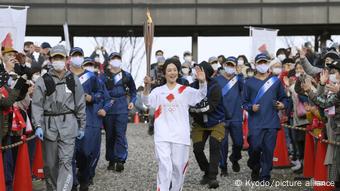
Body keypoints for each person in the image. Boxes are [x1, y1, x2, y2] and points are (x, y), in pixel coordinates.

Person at [142, 58, 207, 191]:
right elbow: (147, 101)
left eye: (174, 70)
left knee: (178, 168)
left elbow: (201, 95)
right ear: (164, 73)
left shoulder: (185, 90)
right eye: (169, 70)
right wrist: (146, 87)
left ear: (178, 73)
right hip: (162, 135)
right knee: (165, 167)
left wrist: (202, 82)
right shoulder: (158, 91)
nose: (172, 73)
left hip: (180, 135)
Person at [31, 45, 86, 191]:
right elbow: (36, 105)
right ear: (50, 60)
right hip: (49, 127)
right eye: (55, 58)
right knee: (50, 164)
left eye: (60, 57)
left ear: (66, 59)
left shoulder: (73, 80)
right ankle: (53, 188)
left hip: (69, 125)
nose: (58, 60)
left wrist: (82, 126)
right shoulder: (43, 80)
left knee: (66, 162)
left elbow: (80, 104)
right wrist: (37, 125)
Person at [243, 53, 288, 181]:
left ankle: (265, 175)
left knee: (268, 150)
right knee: (255, 147)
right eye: (260, 63)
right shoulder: (249, 83)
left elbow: (284, 98)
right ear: (256, 65)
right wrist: (251, 108)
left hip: (271, 121)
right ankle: (255, 166)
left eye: (265, 62)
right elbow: (244, 102)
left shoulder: (275, 81)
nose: (263, 65)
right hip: (256, 122)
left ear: (268, 64)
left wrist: (282, 104)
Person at [69, 48, 108, 191]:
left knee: (85, 152)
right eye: (75, 55)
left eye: (80, 55)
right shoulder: (65, 75)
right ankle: (73, 183)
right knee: (69, 153)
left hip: (88, 118)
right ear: (70, 58)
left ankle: (84, 177)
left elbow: (101, 94)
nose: (77, 58)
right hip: (68, 118)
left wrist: (91, 98)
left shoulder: (91, 77)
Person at [190, 61, 225, 189]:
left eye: (200, 70)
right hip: (199, 124)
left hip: (217, 122)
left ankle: (212, 177)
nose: (196, 73)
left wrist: (194, 109)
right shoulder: (192, 86)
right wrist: (192, 109)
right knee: (197, 149)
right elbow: (188, 104)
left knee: (214, 145)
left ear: (207, 74)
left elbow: (211, 107)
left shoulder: (215, 86)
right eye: (196, 70)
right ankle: (206, 171)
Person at [100, 52, 137, 172]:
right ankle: (111, 159)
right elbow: (100, 91)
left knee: (120, 134)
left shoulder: (127, 75)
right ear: (109, 61)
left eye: (118, 59)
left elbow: (133, 91)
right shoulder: (103, 76)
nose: (116, 61)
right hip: (108, 107)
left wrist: (132, 101)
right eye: (113, 59)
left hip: (122, 107)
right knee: (110, 135)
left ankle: (120, 159)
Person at [0, 46, 30, 190]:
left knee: (9, 164)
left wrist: (23, 82)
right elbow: (7, 102)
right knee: (5, 165)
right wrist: (19, 83)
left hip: (11, 127)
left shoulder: (11, 76)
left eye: (14, 55)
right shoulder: (2, 78)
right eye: (9, 55)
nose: (13, 58)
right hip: (3, 128)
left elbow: (18, 96)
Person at [215, 56, 243, 177]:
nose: (230, 67)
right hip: (221, 117)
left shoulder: (239, 79)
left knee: (238, 143)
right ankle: (223, 167)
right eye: (228, 64)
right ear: (224, 65)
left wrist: (240, 75)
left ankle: (235, 158)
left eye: (233, 65)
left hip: (236, 116)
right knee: (223, 144)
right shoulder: (217, 80)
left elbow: (245, 90)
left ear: (236, 67)